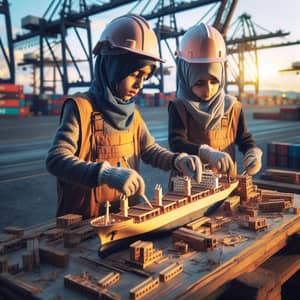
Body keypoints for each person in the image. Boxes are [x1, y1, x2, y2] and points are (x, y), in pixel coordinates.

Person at [46, 14, 202, 219]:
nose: (140, 85)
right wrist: (104, 174)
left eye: (145, 78)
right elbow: (56, 160)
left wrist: (177, 160)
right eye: (135, 74)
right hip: (82, 226)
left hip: (126, 220)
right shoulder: (80, 108)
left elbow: (150, 150)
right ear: (113, 66)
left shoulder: (132, 113)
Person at [168, 23, 262, 177]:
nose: (208, 90)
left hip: (226, 183)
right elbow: (177, 143)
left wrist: (252, 152)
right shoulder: (179, 107)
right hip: (189, 186)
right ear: (185, 76)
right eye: (199, 83)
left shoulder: (233, 107)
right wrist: (205, 152)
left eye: (214, 81)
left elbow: (244, 138)